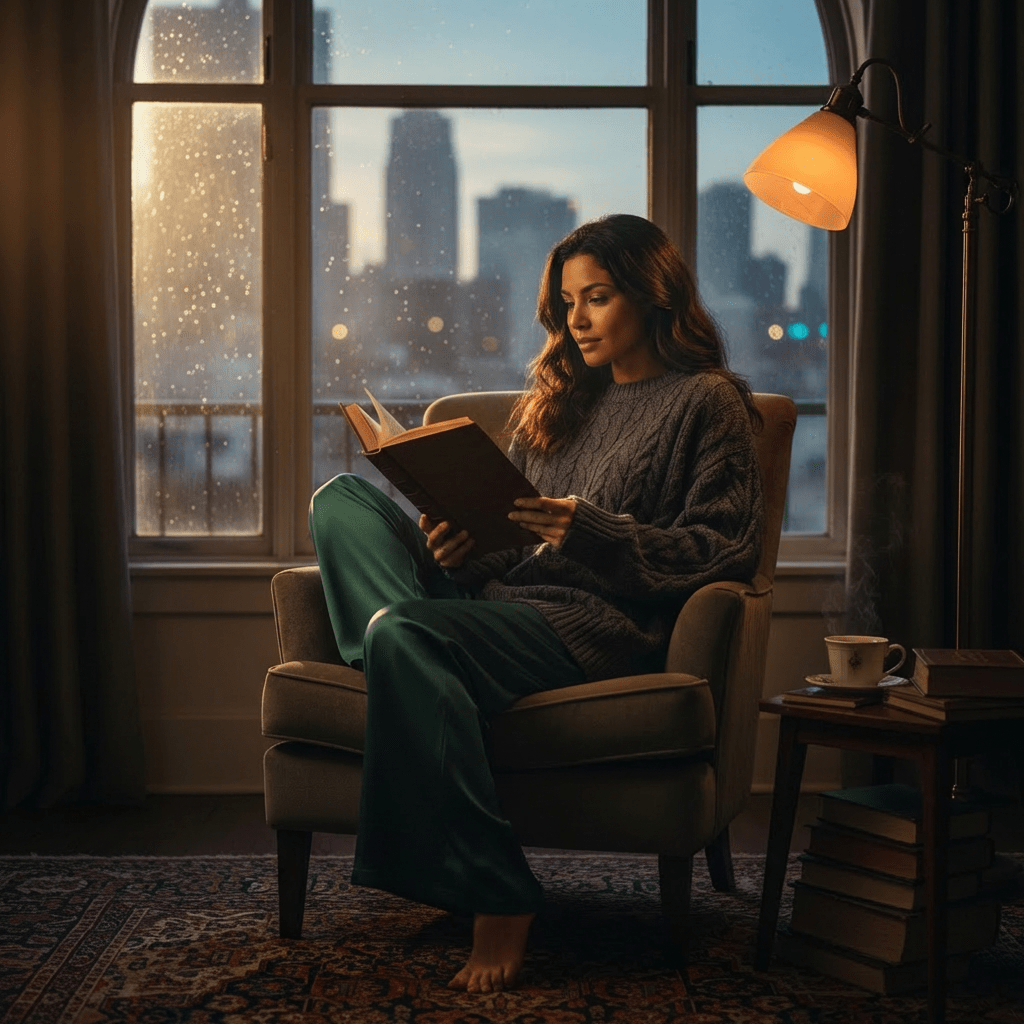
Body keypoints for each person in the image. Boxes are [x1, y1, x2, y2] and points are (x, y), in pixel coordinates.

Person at [308, 213, 764, 993]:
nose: (576, 320)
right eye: (567, 303)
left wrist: (593, 533)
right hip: (494, 605)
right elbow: (508, 544)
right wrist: (461, 547)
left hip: (587, 627)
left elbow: (723, 551)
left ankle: (498, 890)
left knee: (402, 633)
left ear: (653, 296)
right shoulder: (556, 399)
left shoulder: (707, 401)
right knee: (342, 501)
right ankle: (409, 668)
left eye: (597, 298)